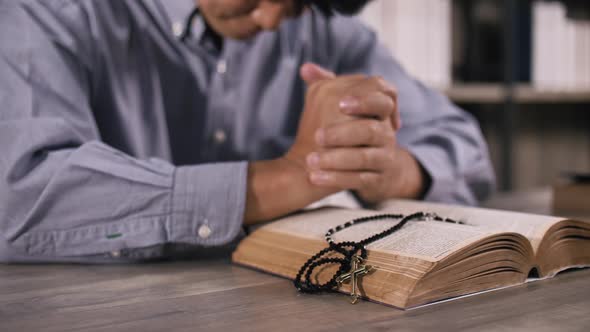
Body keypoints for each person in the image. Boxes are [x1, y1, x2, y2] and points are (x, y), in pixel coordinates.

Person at [0, 0, 495, 263]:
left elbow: (466, 147)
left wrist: (390, 170)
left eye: (299, 1)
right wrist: (290, 176)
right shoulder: (48, 12)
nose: (272, 18)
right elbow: (21, 194)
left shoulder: (327, 32)